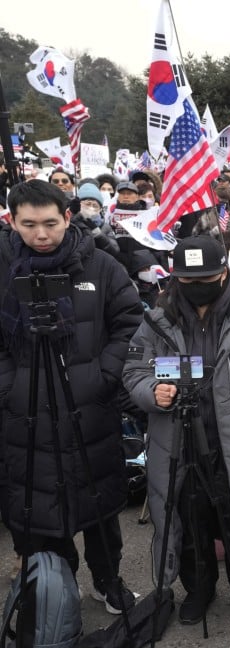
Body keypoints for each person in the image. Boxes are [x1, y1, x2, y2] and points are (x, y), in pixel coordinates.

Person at [122, 236, 230, 625]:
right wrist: (153, 391)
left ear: (223, 274)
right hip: (178, 440)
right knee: (188, 517)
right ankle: (198, 588)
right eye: (187, 278)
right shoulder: (156, 321)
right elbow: (133, 372)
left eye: (206, 277)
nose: (197, 285)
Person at [0, 179, 143, 614]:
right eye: (28, 224)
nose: (40, 235)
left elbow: (130, 322)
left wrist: (102, 375)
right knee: (39, 515)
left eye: (49, 223)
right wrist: (11, 385)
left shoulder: (101, 265)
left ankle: (107, 581)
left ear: (67, 217)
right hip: (25, 418)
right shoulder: (4, 267)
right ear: (12, 221)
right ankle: (53, 594)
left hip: (89, 414)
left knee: (98, 510)